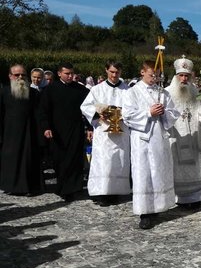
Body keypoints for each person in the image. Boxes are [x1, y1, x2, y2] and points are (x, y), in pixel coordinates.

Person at [122, 60, 179, 229]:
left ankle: (158, 207)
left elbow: (173, 113)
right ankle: (144, 213)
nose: (154, 78)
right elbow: (127, 115)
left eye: (157, 75)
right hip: (142, 140)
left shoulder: (163, 93)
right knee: (144, 175)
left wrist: (164, 113)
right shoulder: (132, 92)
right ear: (142, 72)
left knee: (158, 173)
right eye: (151, 74)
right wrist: (148, 112)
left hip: (159, 138)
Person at [166, 56, 201, 209]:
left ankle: (194, 197)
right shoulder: (166, 93)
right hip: (175, 137)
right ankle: (176, 197)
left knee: (194, 167)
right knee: (175, 167)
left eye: (186, 76)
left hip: (193, 135)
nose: (183, 78)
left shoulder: (196, 92)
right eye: (181, 75)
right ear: (176, 76)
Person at [79, 60, 131, 206]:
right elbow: (85, 106)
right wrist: (98, 114)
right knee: (103, 162)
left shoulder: (127, 90)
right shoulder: (97, 89)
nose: (114, 75)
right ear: (106, 71)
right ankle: (101, 192)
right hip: (103, 133)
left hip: (121, 132)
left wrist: (122, 114)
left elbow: (132, 107)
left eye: (117, 72)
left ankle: (116, 192)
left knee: (118, 161)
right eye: (112, 72)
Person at [38, 63, 91, 202]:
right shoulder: (50, 90)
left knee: (75, 159)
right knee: (60, 160)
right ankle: (62, 187)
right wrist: (46, 127)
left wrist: (90, 127)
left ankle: (74, 188)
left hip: (75, 129)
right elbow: (43, 110)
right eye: (67, 73)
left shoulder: (80, 89)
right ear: (59, 74)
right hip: (57, 131)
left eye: (71, 73)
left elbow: (89, 110)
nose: (70, 76)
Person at [0, 65, 43, 195]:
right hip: (10, 133)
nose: (20, 77)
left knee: (28, 159)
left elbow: (39, 114)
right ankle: (11, 186)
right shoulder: (4, 92)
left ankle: (28, 187)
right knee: (11, 160)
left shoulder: (34, 93)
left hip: (30, 133)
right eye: (16, 75)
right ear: (10, 76)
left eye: (23, 75)